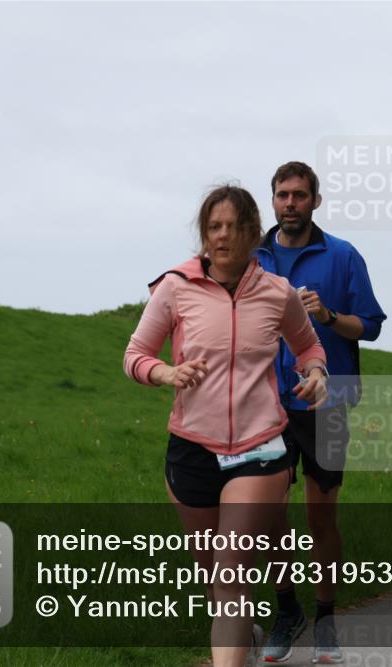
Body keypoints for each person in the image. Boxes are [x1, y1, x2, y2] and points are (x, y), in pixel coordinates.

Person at [124, 185, 329, 667]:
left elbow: (308, 346)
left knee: (231, 573)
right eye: (214, 227)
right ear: (203, 234)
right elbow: (135, 355)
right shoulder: (175, 288)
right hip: (192, 447)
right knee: (214, 581)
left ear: (253, 233)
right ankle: (247, 636)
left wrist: (317, 373)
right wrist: (167, 373)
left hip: (260, 448)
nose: (222, 236)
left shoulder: (277, 293)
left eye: (233, 227)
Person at [255, 161, 386, 663]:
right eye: (282, 195)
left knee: (320, 517)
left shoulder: (343, 255)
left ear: (316, 201)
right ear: (272, 200)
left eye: (300, 195)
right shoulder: (253, 257)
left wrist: (327, 315)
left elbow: (370, 326)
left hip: (327, 402)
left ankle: (326, 618)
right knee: (268, 514)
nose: (290, 203)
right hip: (265, 402)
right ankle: (287, 610)